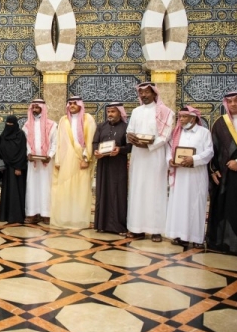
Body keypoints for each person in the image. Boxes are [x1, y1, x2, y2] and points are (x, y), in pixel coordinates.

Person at [126, 82, 174, 242]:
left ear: (154, 93)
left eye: (147, 92)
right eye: (141, 93)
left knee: (155, 191)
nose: (144, 95)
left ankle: (156, 230)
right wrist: (131, 138)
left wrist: (150, 145)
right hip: (138, 155)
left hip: (155, 156)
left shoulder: (166, 112)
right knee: (137, 189)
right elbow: (129, 130)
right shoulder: (136, 111)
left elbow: (166, 135)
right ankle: (136, 228)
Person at [207, 92, 237, 256]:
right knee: (222, 208)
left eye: (236, 101)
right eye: (230, 101)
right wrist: (213, 170)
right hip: (223, 175)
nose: (233, 104)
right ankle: (219, 242)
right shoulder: (221, 122)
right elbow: (213, 148)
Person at [165, 106, 213, 248]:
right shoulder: (176, 133)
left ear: (193, 118)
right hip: (180, 175)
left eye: (184, 117)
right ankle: (180, 236)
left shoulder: (204, 133)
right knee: (179, 205)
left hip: (195, 176)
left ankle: (197, 238)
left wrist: (194, 159)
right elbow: (169, 150)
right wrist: (170, 160)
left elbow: (209, 152)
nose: (181, 119)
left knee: (195, 205)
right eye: (180, 117)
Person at [50, 96, 96, 229]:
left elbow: (91, 139)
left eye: (75, 103)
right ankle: (65, 218)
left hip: (82, 159)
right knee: (65, 189)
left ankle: (79, 219)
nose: (72, 105)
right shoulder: (63, 120)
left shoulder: (88, 119)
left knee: (81, 190)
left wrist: (86, 158)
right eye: (70, 103)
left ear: (80, 105)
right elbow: (59, 141)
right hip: (65, 160)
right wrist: (57, 160)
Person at [92, 102, 132, 234]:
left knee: (118, 193)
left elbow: (130, 146)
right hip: (104, 164)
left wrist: (119, 149)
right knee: (103, 192)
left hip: (118, 165)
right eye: (108, 111)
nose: (110, 114)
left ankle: (119, 226)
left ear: (120, 113)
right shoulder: (101, 126)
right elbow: (95, 143)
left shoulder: (126, 127)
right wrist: (96, 151)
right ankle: (101, 225)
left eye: (113, 111)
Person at [23, 99, 57, 224]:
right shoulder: (27, 125)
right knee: (32, 186)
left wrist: (50, 155)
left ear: (43, 108)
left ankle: (46, 213)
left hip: (46, 163)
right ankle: (32, 213)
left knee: (46, 186)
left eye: (37, 107)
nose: (35, 110)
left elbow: (55, 143)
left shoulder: (52, 125)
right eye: (33, 108)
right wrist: (28, 154)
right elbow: (25, 143)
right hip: (33, 163)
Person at [0, 115, 27, 223]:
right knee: (6, 191)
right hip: (6, 168)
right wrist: (2, 165)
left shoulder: (20, 135)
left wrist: (18, 167)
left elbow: (22, 152)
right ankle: (5, 215)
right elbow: (1, 150)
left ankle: (16, 216)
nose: (9, 126)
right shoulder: (4, 135)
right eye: (7, 124)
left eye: (11, 124)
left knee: (16, 192)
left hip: (17, 169)